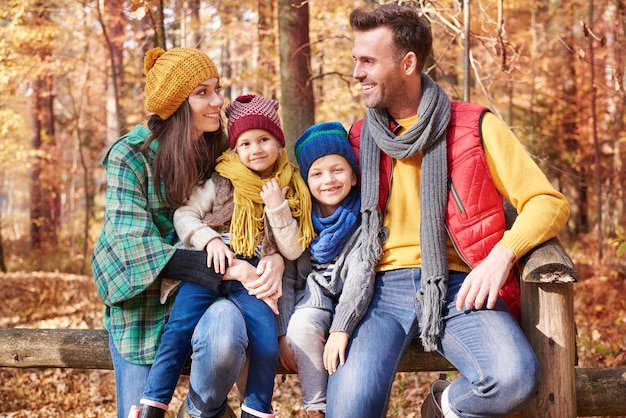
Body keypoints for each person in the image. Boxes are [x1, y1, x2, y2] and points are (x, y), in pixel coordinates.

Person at [325, 4, 571, 418]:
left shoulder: (475, 126)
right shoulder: (358, 137)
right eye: (355, 60)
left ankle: (443, 405)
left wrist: (502, 254)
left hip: (459, 286)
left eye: (368, 61)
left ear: (408, 63)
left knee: (513, 379)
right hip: (379, 291)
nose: (356, 73)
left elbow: (547, 202)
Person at [91, 47, 284, 418]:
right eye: (202, 93)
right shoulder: (130, 156)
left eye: (217, 88)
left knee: (227, 332)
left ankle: (198, 411)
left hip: (208, 297)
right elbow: (131, 246)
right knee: (138, 411)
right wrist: (234, 267)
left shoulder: (225, 152)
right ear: (176, 104)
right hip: (144, 308)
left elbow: (257, 212)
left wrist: (272, 258)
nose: (218, 101)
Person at [135, 94, 315, 418]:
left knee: (265, 341)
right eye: (245, 143)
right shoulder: (220, 180)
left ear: (279, 143)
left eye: (264, 139)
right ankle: (154, 402)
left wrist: (277, 208)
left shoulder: (288, 187)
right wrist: (208, 240)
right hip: (208, 266)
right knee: (178, 329)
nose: (255, 149)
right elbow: (184, 215)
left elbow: (291, 248)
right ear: (235, 149)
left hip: (252, 278)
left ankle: (257, 409)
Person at [277, 122, 374, 418]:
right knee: (300, 327)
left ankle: (350, 404)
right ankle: (316, 407)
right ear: (306, 181)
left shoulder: (365, 217)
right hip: (315, 297)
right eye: (317, 174)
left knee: (360, 347)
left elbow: (361, 275)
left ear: (354, 176)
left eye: (338, 170)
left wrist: (341, 327)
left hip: (359, 304)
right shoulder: (302, 218)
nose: (328, 180)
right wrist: (281, 333)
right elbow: (289, 278)